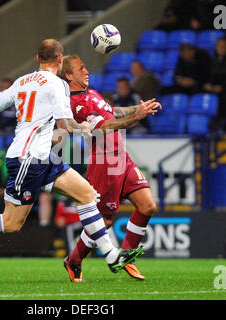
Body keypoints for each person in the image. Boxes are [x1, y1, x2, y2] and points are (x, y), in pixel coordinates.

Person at [0, 39, 146, 276]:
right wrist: (84, 127)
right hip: (28, 159)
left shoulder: (23, 80)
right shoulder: (58, 84)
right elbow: (65, 124)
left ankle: (112, 256)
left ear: (37, 59)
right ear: (60, 60)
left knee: (86, 194)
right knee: (11, 222)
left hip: (44, 156)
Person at [60, 54, 161, 282]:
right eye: (81, 68)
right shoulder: (76, 104)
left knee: (147, 207)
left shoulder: (90, 92)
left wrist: (138, 107)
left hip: (121, 156)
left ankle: (127, 256)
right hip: (104, 161)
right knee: (104, 221)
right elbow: (105, 127)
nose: (87, 71)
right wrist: (138, 116)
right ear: (69, 76)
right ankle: (74, 261)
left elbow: (111, 112)